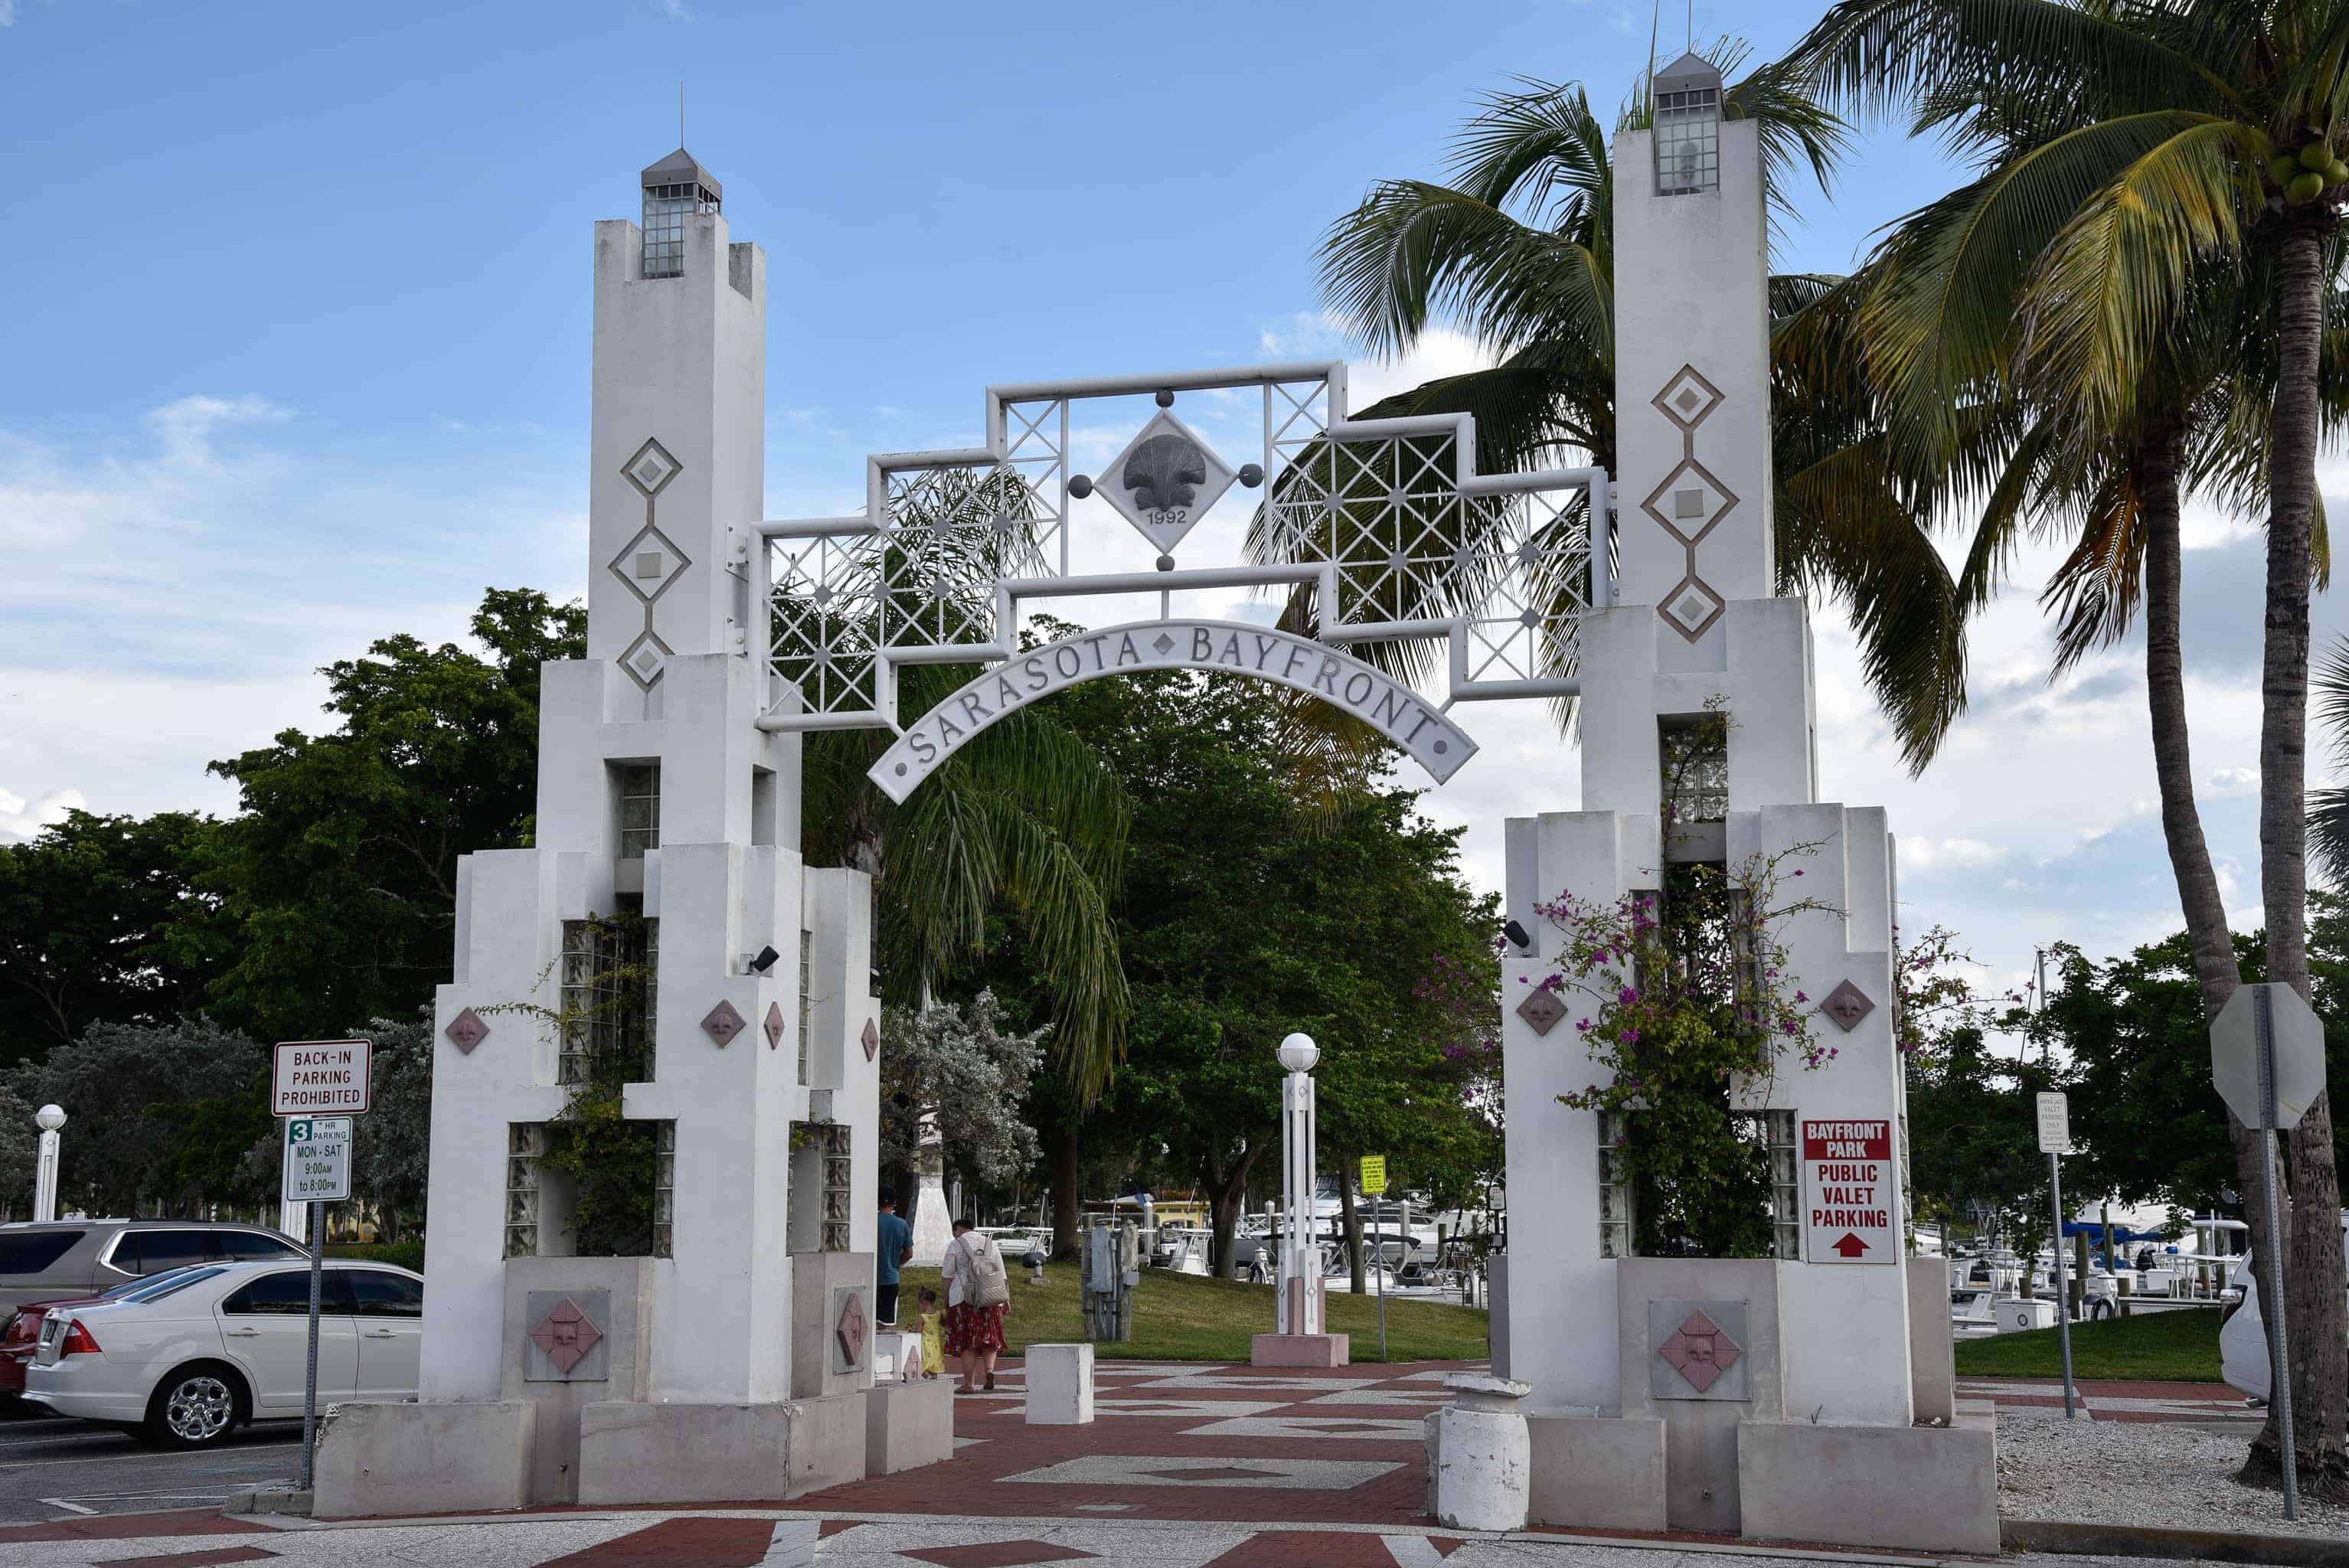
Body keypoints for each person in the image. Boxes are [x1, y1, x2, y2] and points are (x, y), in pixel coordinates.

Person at [941, 1217, 1010, 1393]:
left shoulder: (955, 1245)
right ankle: (989, 1370)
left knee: (968, 1343)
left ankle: (969, 1384)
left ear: (958, 1230)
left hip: (963, 1299)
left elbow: (948, 1275)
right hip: (989, 1297)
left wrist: (947, 1298)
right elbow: (1001, 1273)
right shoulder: (989, 1243)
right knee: (989, 1338)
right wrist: (1006, 1299)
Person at [875, 1185, 915, 1326]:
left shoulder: (870, 1223)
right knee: (886, 1325)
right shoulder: (902, 1225)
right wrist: (897, 1262)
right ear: (894, 1203)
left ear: (877, 1201)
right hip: (891, 1279)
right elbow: (909, 1253)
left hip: (871, 1277)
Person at [915, 1285, 944, 1380]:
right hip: (936, 1344)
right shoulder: (938, 1314)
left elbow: (917, 1333)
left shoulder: (923, 1317)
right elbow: (944, 1324)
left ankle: (927, 1377)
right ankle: (933, 1379)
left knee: (921, 1364)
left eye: (919, 1304)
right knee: (934, 1364)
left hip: (925, 1344)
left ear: (924, 1302)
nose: (919, 1306)